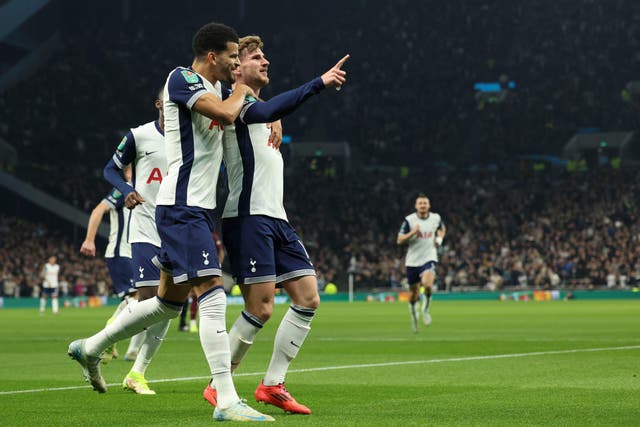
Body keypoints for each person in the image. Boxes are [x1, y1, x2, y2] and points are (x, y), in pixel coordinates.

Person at [68, 22, 274, 422]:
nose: (236, 63)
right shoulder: (181, 79)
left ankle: (91, 347)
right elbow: (227, 115)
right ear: (212, 56)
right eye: (232, 56)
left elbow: (245, 115)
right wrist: (242, 91)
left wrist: (266, 112)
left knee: (166, 305)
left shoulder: (216, 88)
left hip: (194, 210)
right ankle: (227, 399)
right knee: (213, 291)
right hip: (181, 207)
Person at [202, 35, 348, 415]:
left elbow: (270, 110)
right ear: (237, 68)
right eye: (255, 57)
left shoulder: (261, 107)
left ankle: (272, 385)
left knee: (307, 298)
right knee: (262, 308)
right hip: (248, 217)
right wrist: (317, 83)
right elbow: (261, 111)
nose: (265, 61)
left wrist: (275, 112)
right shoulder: (237, 103)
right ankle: (221, 385)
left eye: (265, 55)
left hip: (276, 217)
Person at [101, 87, 169, 394]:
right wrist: (125, 189)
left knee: (171, 305)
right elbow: (110, 168)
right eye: (167, 100)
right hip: (144, 229)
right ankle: (105, 339)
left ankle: (137, 372)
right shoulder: (139, 136)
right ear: (158, 103)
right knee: (149, 302)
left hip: (178, 232)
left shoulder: (194, 135)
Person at [80, 166, 145, 363]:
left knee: (146, 301)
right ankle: (108, 336)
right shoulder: (121, 189)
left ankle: (131, 350)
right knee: (136, 301)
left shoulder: (144, 187)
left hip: (136, 254)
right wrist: (89, 239)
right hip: (120, 253)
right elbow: (98, 210)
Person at [397, 193, 446, 333]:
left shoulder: (436, 218)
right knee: (413, 294)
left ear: (429, 205)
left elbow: (442, 229)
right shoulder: (409, 220)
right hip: (412, 261)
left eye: (425, 203)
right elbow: (399, 240)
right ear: (416, 206)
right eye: (420, 203)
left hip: (429, 257)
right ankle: (414, 316)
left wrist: (439, 240)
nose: (423, 205)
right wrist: (413, 232)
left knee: (428, 284)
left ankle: (425, 308)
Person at [179, 231, 224, 333]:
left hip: (210, 269)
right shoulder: (196, 235)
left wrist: (218, 266)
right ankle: (187, 322)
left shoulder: (213, 237)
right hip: (195, 268)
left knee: (207, 295)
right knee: (189, 295)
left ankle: (196, 323)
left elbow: (221, 252)